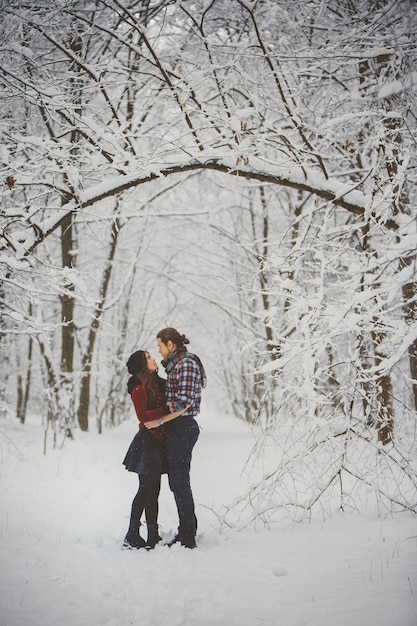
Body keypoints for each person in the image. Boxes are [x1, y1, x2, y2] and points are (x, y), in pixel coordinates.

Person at [145, 328, 206, 549]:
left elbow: (184, 403)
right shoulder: (176, 366)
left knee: (180, 482)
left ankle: (187, 536)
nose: (159, 351)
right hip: (176, 427)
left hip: (183, 427)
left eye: (160, 346)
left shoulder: (186, 363)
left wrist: (161, 420)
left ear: (171, 344)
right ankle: (188, 528)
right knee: (177, 482)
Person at [122, 349, 188, 550]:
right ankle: (134, 535)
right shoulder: (138, 387)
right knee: (146, 491)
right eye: (148, 357)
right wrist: (167, 410)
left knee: (152, 490)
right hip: (147, 443)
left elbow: (175, 390)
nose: (153, 358)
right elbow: (143, 415)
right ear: (142, 365)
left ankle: (149, 536)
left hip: (157, 442)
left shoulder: (156, 382)